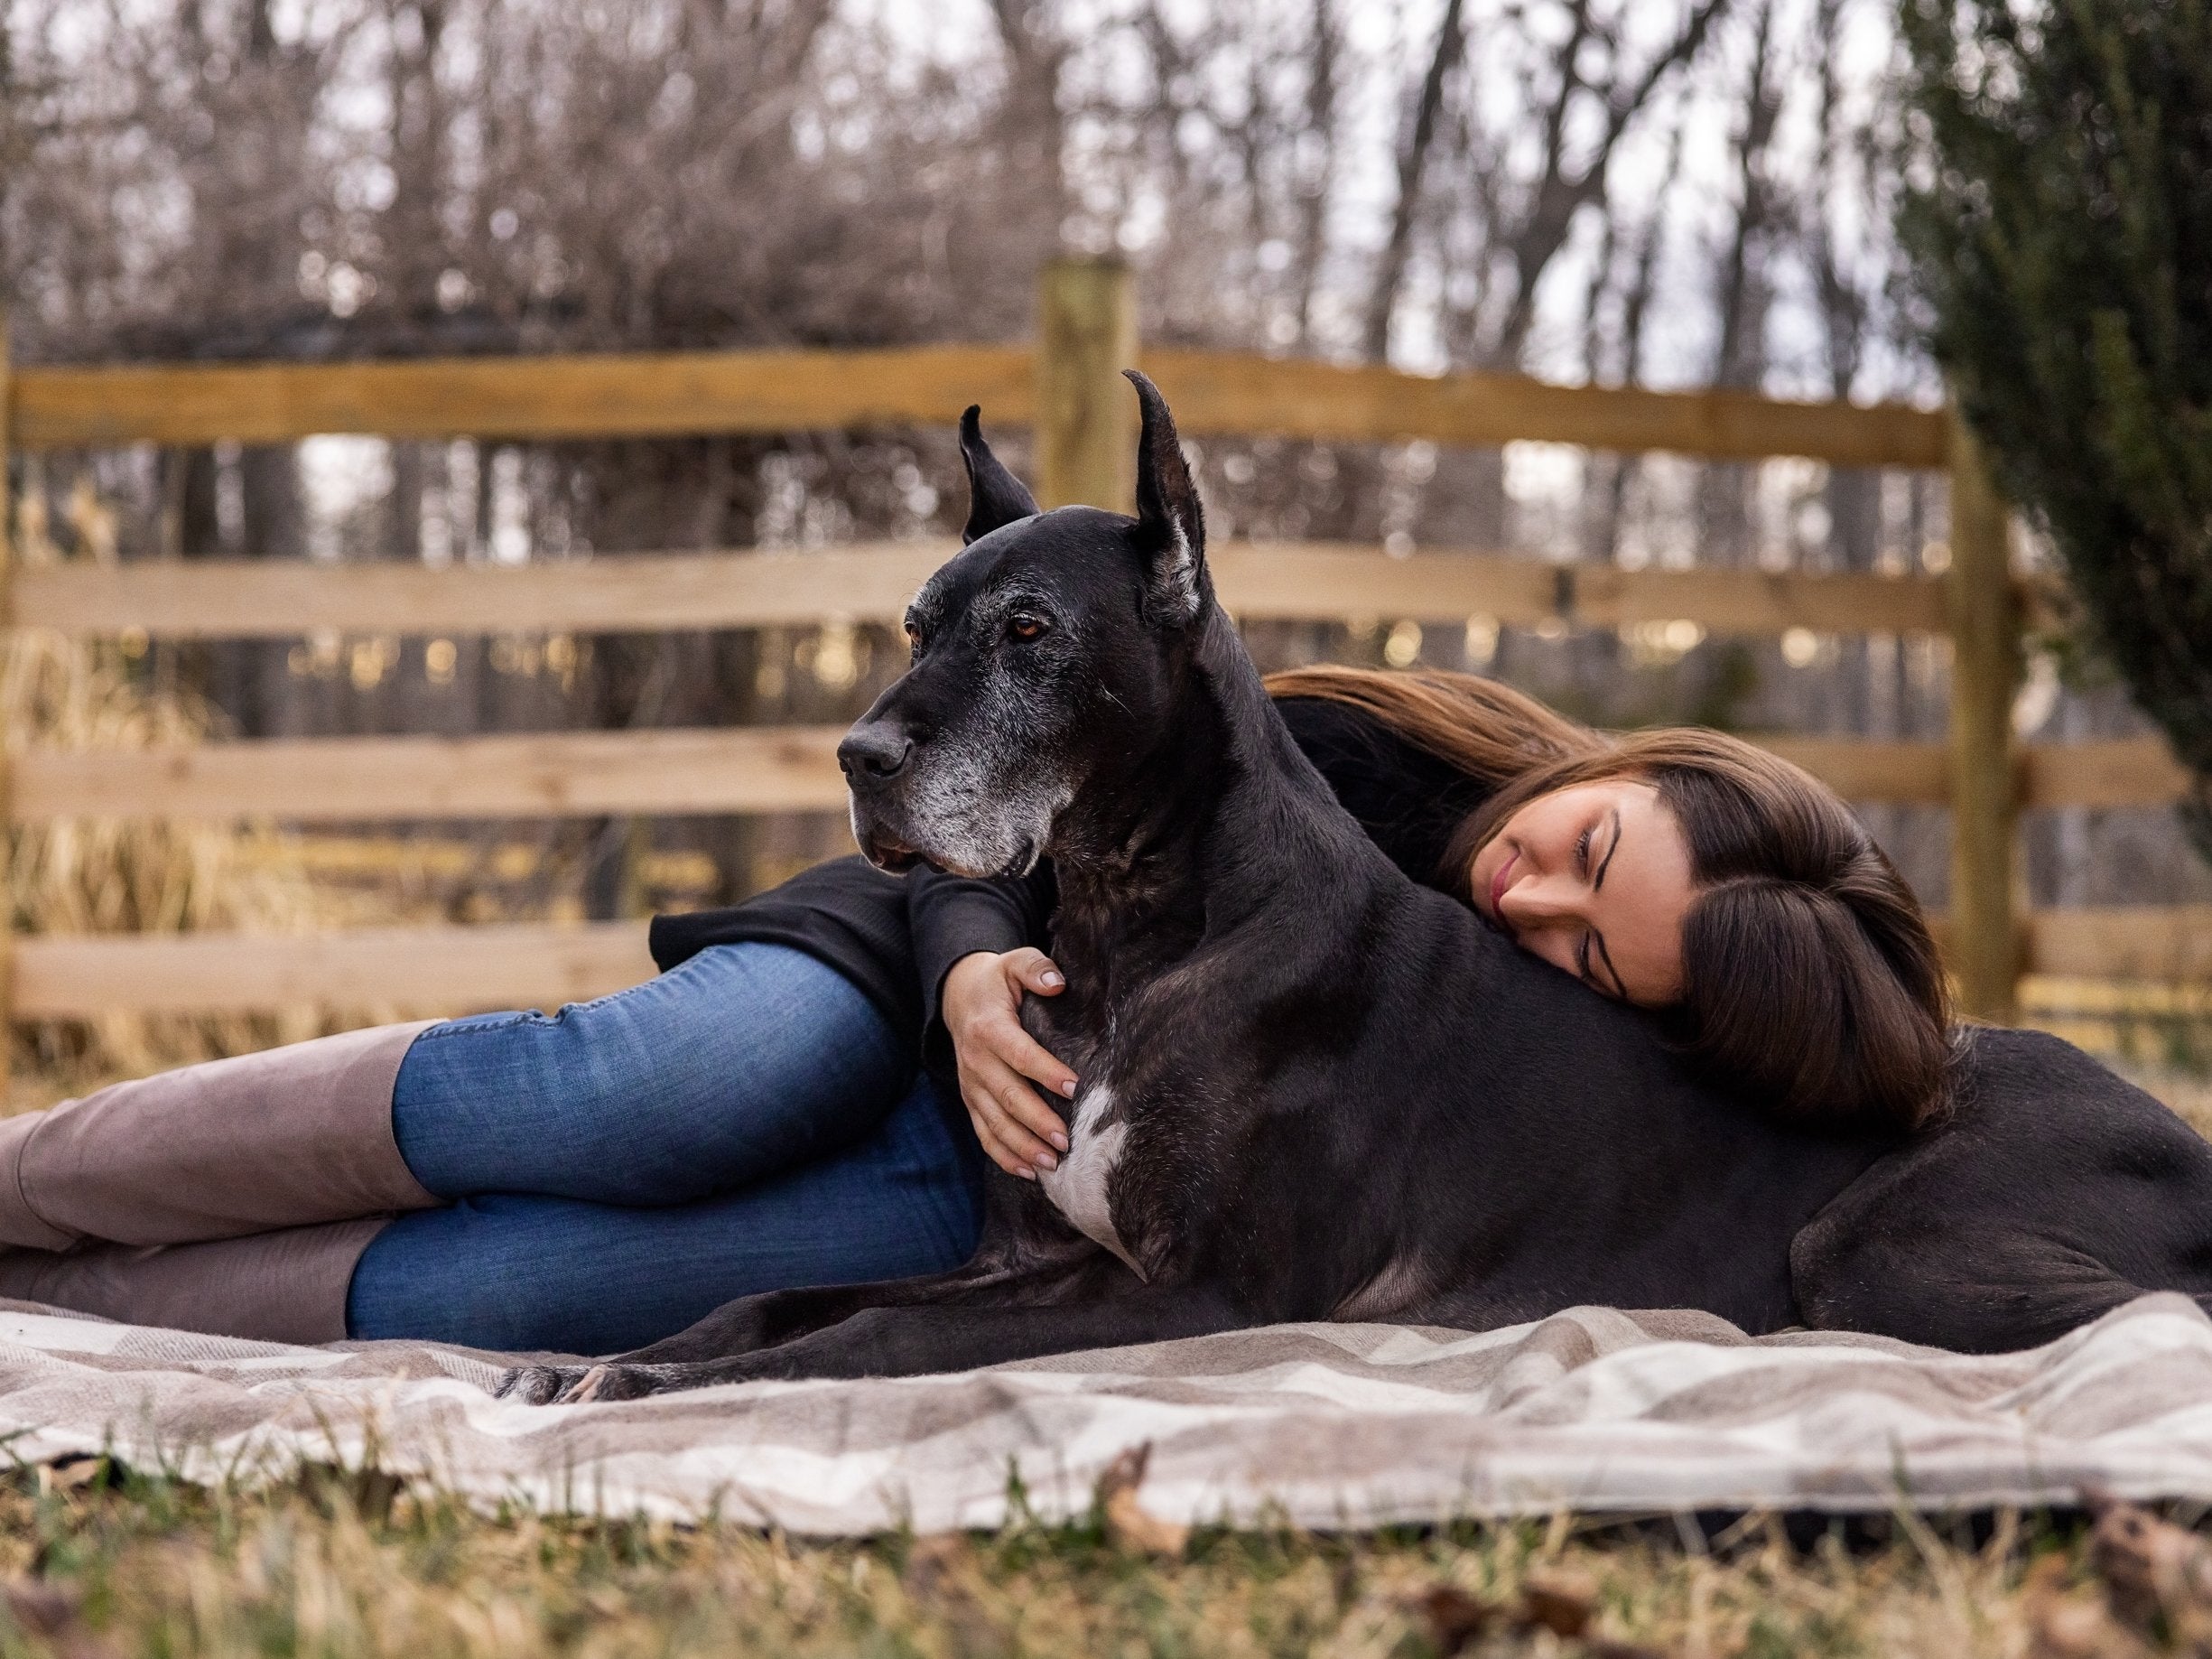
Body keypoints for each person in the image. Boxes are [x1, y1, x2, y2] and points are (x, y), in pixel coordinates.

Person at [0, 667, 1949, 1356]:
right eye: (1580, 850)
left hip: (1025, 1184)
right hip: (920, 973)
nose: (1527, 903)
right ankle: (30, 1179)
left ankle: (52, 1301)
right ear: (1623, 764)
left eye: (1590, 958)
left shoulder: (1511, 1038)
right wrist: (955, 980)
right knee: (685, 1085)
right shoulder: (1355, 751)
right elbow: (1009, 808)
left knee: (538, 1297)